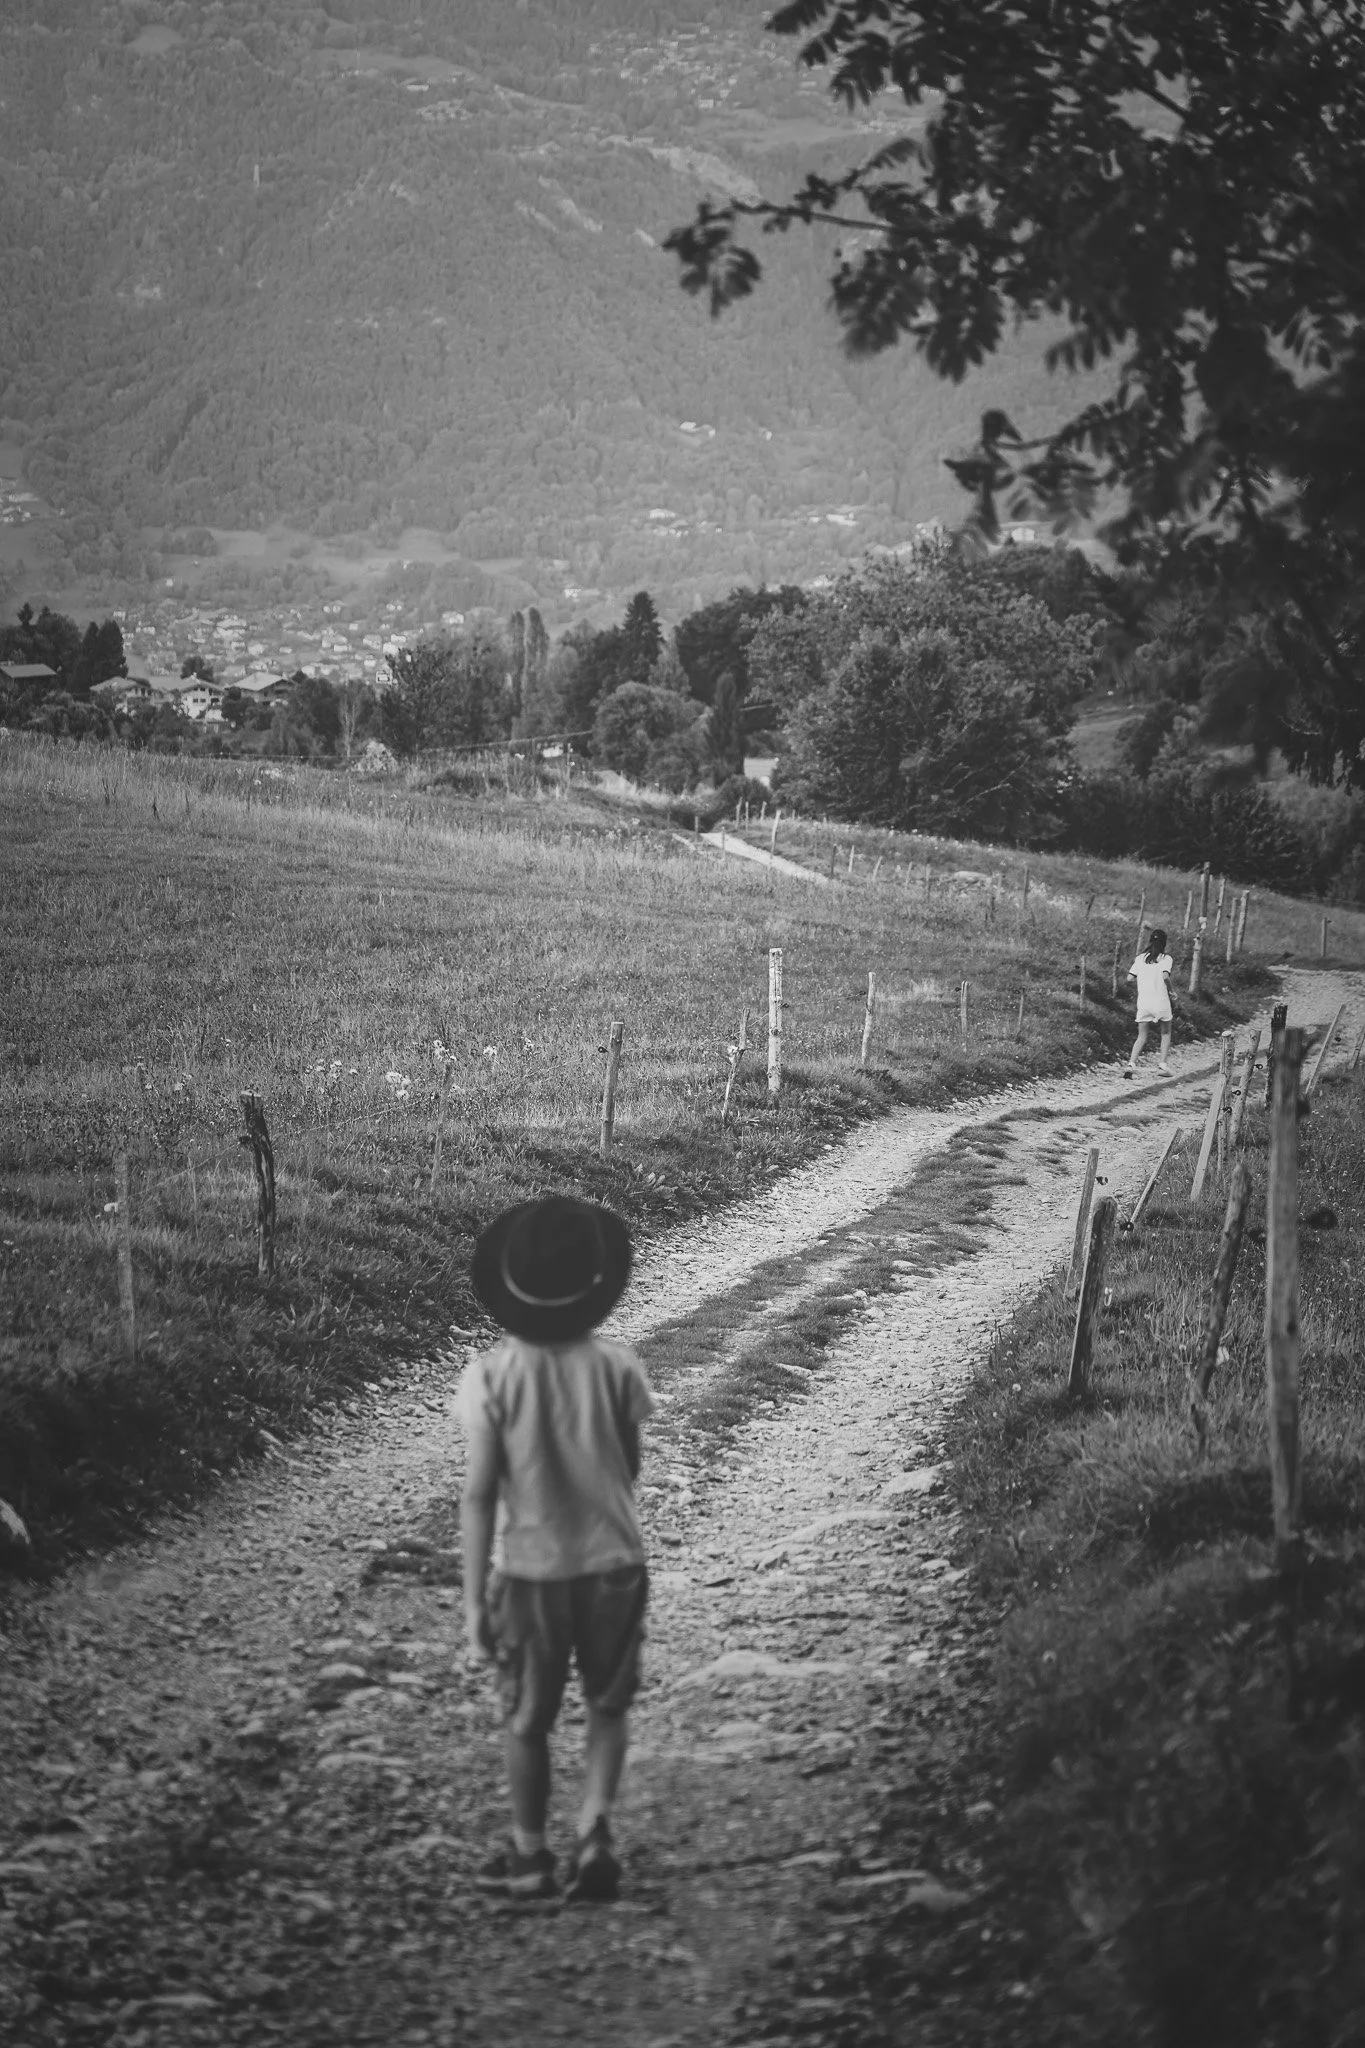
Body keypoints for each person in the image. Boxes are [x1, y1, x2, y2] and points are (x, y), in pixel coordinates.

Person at [459, 1194, 653, 1902]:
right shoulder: (618, 1368)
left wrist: (474, 1603)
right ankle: (595, 1828)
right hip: (614, 1564)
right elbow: (629, 1466)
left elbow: (480, 1495)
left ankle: (531, 1854)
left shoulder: (490, 1377)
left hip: (531, 1571)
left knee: (526, 1719)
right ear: (596, 1288)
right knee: (607, 1704)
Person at [1125, 926, 1174, 1078]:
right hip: (1161, 1002)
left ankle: (1131, 1064)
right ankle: (1162, 1066)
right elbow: (1165, 976)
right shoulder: (1166, 958)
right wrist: (1172, 991)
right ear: (1164, 943)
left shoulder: (1140, 958)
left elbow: (1129, 978)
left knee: (1141, 1036)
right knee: (1166, 1032)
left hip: (1144, 1002)